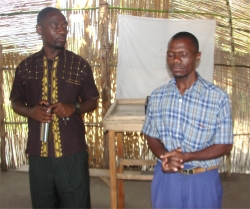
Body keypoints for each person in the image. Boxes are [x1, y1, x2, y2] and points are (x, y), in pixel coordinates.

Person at [10, 7, 99, 208]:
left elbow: (92, 100)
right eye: (55, 26)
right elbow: (15, 102)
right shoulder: (25, 67)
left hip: (72, 152)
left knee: (76, 202)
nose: (62, 30)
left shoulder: (79, 65)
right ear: (40, 30)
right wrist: (31, 111)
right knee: (43, 202)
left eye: (64, 26)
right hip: (38, 153)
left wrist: (74, 107)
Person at [142, 31, 233, 209]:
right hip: (167, 178)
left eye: (183, 54)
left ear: (197, 57)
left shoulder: (217, 98)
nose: (176, 60)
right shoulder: (158, 96)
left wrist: (186, 157)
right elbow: (151, 134)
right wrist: (165, 157)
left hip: (203, 179)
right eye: (171, 54)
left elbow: (225, 144)